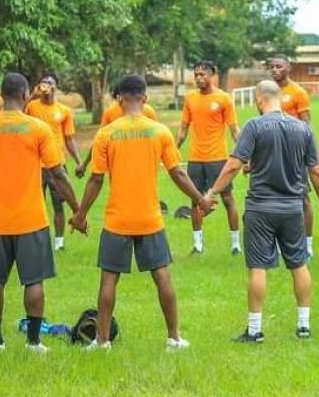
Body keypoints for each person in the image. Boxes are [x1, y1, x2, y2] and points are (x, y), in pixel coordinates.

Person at [69, 74, 214, 352]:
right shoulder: (160, 131)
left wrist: (80, 214)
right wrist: (200, 200)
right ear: (144, 98)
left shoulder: (106, 133)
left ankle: (102, 340)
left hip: (117, 220)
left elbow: (96, 179)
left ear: (119, 99)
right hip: (150, 219)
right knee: (162, 277)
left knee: (109, 279)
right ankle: (174, 338)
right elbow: (178, 173)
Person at [204, 80, 319, 342]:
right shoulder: (303, 128)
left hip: (260, 207)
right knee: (299, 263)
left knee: (258, 267)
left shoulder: (254, 126)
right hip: (293, 207)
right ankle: (304, 326)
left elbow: (233, 165)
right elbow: (315, 170)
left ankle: (254, 330)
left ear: (259, 100)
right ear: (280, 98)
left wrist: (212, 192)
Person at [0, 73, 80, 352]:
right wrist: (78, 210)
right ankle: (33, 342)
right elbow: (58, 175)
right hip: (31, 220)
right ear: (24, 93)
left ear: (2, 95)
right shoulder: (38, 128)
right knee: (34, 281)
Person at [175, 60, 241, 254]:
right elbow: (183, 130)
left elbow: (234, 129)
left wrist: (245, 153)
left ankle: (236, 245)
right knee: (195, 200)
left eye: (202, 74)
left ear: (212, 75)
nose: (198, 78)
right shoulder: (190, 98)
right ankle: (197, 245)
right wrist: (173, 150)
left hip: (218, 158)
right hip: (195, 159)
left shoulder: (224, 98)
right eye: (196, 74)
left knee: (227, 199)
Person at [25, 74, 82, 251]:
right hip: (35, 163)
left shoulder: (64, 111)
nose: (46, 85)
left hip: (56, 163)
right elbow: (16, 114)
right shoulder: (32, 106)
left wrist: (79, 161)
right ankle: (38, 239)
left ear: (55, 87)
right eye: (43, 82)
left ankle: (59, 241)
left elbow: (69, 139)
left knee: (58, 204)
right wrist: (31, 96)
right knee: (36, 205)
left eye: (50, 83)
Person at [270, 54, 316, 256]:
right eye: (272, 67)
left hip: (294, 154)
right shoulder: (267, 92)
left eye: (279, 66)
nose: (274, 70)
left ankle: (307, 245)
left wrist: (308, 154)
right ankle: (280, 244)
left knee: (302, 197)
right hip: (273, 153)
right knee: (274, 197)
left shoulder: (298, 92)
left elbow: (306, 125)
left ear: (289, 68)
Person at [75, 84, 158, 179]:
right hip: (142, 165)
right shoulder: (149, 111)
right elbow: (155, 140)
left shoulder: (110, 112)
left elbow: (98, 141)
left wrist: (84, 164)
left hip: (120, 165)